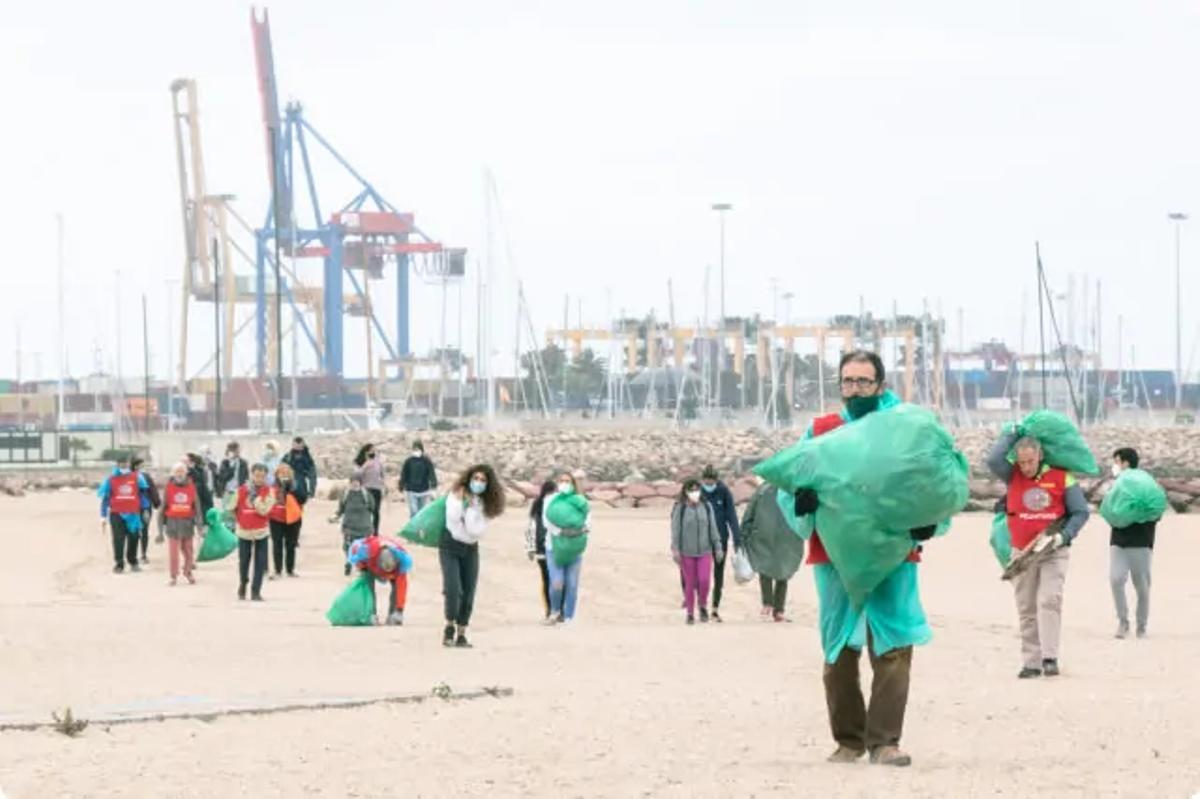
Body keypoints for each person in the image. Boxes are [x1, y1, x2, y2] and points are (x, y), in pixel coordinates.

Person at [790, 350, 944, 767]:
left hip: (894, 555)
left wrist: (927, 522)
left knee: (893, 645)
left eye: (863, 381)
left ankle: (885, 742)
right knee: (838, 648)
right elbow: (793, 484)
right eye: (848, 381)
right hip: (834, 558)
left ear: (881, 385)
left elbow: (931, 482)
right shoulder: (821, 430)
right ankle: (848, 741)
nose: (855, 389)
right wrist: (802, 502)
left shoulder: (904, 430)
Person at [986, 424, 1090, 678]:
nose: (1026, 467)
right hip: (1022, 552)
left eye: (1030, 461)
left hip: (1053, 549)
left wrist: (1063, 536)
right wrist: (1014, 433)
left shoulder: (1062, 477)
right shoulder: (1013, 476)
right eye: (1022, 462)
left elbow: (1080, 512)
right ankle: (1031, 662)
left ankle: (1050, 657)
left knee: (1049, 600)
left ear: (1040, 456)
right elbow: (992, 459)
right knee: (1026, 606)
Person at [440, 464, 505, 648]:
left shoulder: (485, 504)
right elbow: (452, 517)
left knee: (468, 591)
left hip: (470, 548)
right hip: (449, 545)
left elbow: (475, 530)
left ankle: (461, 632)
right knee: (453, 589)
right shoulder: (456, 494)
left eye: (483, 480)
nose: (478, 483)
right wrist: (461, 503)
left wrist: (468, 509)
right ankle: (449, 626)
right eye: (475, 479)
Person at [1108, 447, 1158, 639]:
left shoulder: (1147, 483)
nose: (1115, 466)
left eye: (1117, 462)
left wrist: (1137, 513)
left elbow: (1156, 511)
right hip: (1118, 540)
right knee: (1116, 579)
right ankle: (1123, 622)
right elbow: (1109, 508)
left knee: (1142, 586)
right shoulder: (1118, 485)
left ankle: (1142, 626)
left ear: (1126, 463)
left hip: (1142, 541)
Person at [741, 475, 805, 622]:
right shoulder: (766, 491)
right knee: (771, 569)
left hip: (784, 537)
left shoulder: (788, 492)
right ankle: (771, 605)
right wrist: (744, 533)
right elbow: (751, 512)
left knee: (782, 571)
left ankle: (775, 607)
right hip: (769, 536)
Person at [671, 478, 723, 625]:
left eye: (697, 490)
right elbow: (675, 530)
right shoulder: (680, 509)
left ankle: (702, 606)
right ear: (685, 492)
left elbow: (713, 528)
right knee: (690, 583)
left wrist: (717, 546)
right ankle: (690, 613)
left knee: (704, 580)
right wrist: (675, 549)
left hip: (705, 551)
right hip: (686, 552)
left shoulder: (707, 507)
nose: (694, 493)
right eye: (691, 490)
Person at [543, 471, 591, 625]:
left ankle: (569, 616)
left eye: (568, 481)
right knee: (557, 582)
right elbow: (546, 520)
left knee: (572, 583)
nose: (564, 484)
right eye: (562, 481)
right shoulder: (550, 500)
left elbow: (587, 520)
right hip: (554, 547)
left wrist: (576, 531)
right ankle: (555, 611)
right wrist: (561, 531)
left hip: (574, 547)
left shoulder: (580, 500)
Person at [699, 465, 741, 623]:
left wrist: (737, 539)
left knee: (718, 575)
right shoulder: (698, 493)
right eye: (706, 482)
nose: (709, 485)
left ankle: (715, 609)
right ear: (703, 480)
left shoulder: (723, 492)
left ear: (716, 481)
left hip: (721, 540)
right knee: (702, 576)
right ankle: (702, 606)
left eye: (711, 482)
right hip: (701, 541)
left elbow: (732, 515)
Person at [99, 454, 152, 574]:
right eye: (121, 464)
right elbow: (106, 498)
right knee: (118, 539)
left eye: (126, 464)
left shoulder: (137, 478)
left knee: (134, 537)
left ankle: (133, 561)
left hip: (133, 514)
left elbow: (142, 495)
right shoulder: (111, 479)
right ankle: (119, 563)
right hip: (116, 513)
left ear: (129, 464)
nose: (124, 466)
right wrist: (103, 515)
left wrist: (146, 510)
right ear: (117, 465)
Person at [348, 535, 412, 626]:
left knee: (396, 586)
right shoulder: (364, 550)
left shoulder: (403, 559)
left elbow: (402, 587)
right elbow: (353, 554)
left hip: (392, 566)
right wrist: (362, 567)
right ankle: (371, 613)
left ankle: (393, 614)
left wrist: (399, 610)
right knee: (368, 584)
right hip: (372, 564)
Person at [234, 464, 275, 601]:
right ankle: (243, 583)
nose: (259, 479)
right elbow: (231, 508)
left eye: (262, 476)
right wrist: (238, 519)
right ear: (251, 475)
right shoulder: (241, 490)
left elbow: (264, 510)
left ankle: (256, 591)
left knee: (260, 562)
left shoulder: (269, 492)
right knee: (244, 561)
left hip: (261, 531)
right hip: (244, 531)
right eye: (257, 475)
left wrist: (255, 499)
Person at [157, 462, 202, 586]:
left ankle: (188, 572)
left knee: (188, 551)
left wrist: (200, 527)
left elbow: (197, 508)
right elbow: (161, 510)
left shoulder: (192, 487)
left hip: (187, 524)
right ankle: (173, 576)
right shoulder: (169, 487)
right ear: (173, 473)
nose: (179, 474)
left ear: (186, 473)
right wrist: (160, 532)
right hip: (172, 524)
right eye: (177, 471)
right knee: (173, 552)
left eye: (182, 471)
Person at [331, 471, 376, 576]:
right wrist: (335, 516)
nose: (355, 483)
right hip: (349, 527)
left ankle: (362, 567)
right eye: (353, 481)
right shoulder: (345, 494)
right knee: (348, 547)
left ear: (361, 482)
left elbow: (373, 507)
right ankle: (348, 563)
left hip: (364, 528)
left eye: (357, 481)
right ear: (350, 482)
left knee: (363, 548)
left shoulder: (366, 495)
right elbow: (341, 509)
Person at [525, 480, 557, 618]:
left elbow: (530, 528)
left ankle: (550, 609)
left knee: (547, 579)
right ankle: (555, 609)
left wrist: (530, 548)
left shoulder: (537, 504)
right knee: (556, 579)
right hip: (553, 548)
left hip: (541, 549)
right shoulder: (556, 505)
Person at [268, 463, 303, 579]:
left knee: (291, 545)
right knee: (277, 544)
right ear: (277, 474)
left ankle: (290, 569)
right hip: (276, 518)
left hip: (293, 519)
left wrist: (290, 490)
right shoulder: (272, 487)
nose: (284, 475)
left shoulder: (296, 485)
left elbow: (303, 499)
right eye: (281, 473)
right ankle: (278, 570)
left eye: (287, 473)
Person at [131, 456, 161, 564]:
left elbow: (153, 490)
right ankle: (139, 554)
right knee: (139, 531)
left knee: (141, 530)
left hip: (142, 508)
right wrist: (157, 503)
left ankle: (141, 554)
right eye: (141, 465)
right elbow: (153, 490)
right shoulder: (137, 476)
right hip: (138, 508)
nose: (143, 467)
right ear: (136, 466)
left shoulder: (144, 476)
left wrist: (157, 502)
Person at [355, 443, 386, 534]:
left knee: (376, 511)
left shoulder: (378, 462)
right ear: (366, 452)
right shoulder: (361, 463)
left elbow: (382, 475)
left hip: (377, 489)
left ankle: (375, 531)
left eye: (374, 450)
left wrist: (384, 486)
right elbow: (357, 475)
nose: (373, 452)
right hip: (366, 490)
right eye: (371, 450)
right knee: (366, 511)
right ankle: (366, 529)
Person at [400, 441, 438, 517]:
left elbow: (431, 473)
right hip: (411, 490)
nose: (416, 451)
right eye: (414, 449)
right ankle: (413, 528)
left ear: (421, 449)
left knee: (421, 512)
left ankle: (419, 528)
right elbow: (404, 473)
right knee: (414, 511)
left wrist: (434, 484)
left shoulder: (426, 461)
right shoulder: (408, 461)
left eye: (418, 449)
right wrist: (401, 484)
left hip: (423, 490)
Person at [185, 452, 215, 517]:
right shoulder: (180, 472)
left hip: (198, 503)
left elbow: (202, 485)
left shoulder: (200, 472)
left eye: (186, 461)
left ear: (192, 462)